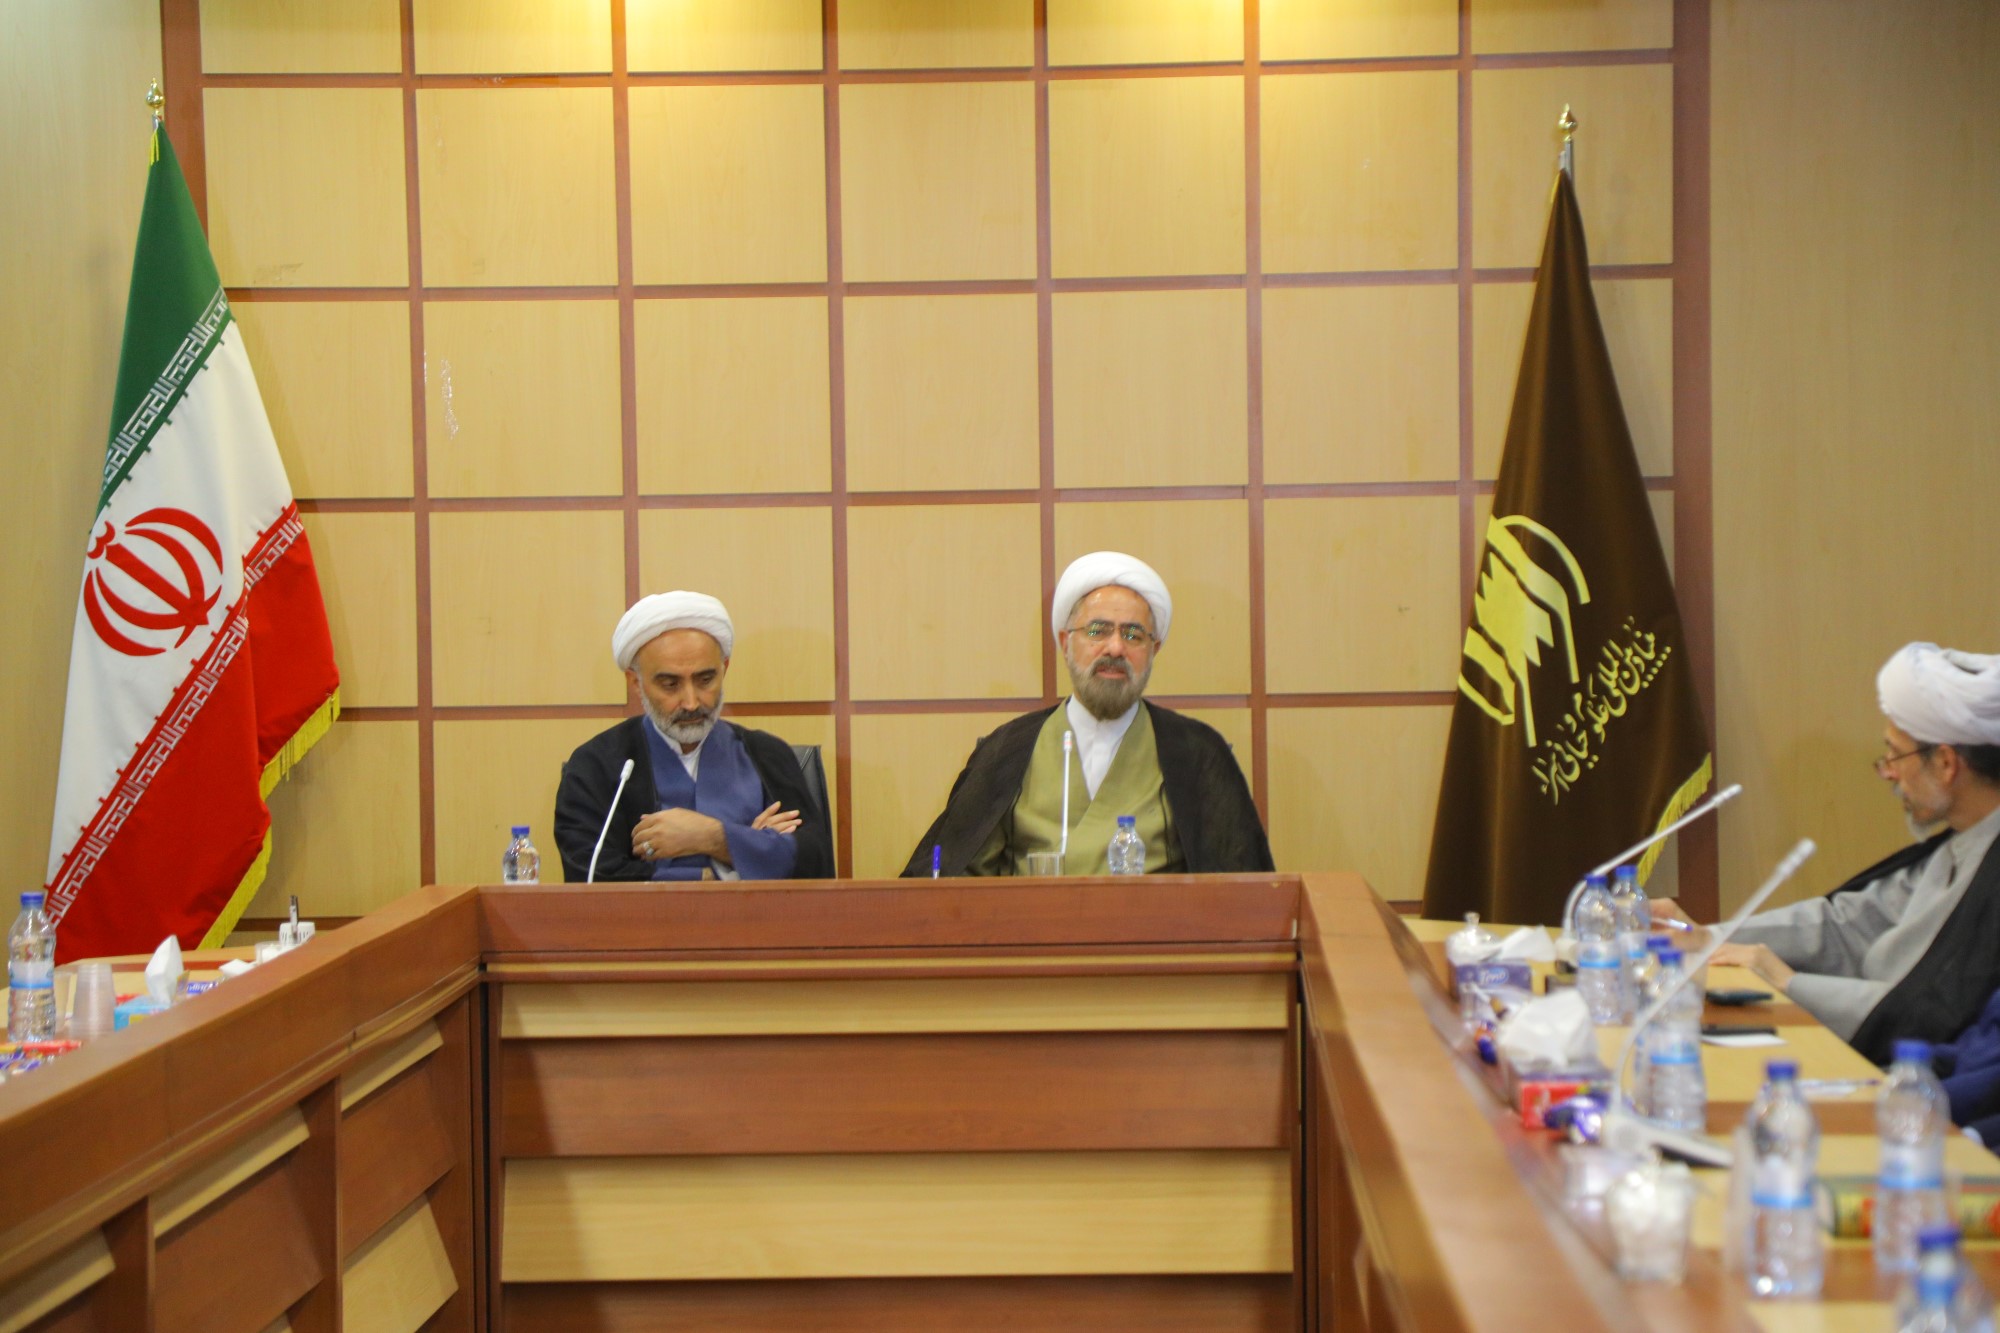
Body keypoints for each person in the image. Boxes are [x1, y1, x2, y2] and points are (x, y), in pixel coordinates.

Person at [1651, 642, 2000, 1064]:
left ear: (1945, 763)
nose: (1887, 772)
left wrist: (1787, 982)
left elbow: (1940, 1019)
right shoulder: (1960, 844)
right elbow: (1847, 925)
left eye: (1895, 754)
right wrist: (1707, 938)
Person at [903, 551, 1273, 877]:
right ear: (1066, 642)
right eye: (1098, 631)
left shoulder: (1197, 753)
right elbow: (953, 884)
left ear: (1154, 650)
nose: (1115, 648)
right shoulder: (1007, 750)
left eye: (1133, 635)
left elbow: (1242, 893)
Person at [553, 591, 833, 883]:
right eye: (670, 684)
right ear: (636, 682)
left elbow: (814, 863)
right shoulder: (597, 764)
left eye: (705, 680)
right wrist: (744, 852)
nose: (691, 702)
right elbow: (591, 876)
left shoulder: (766, 754)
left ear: (724, 669)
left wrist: (713, 837)